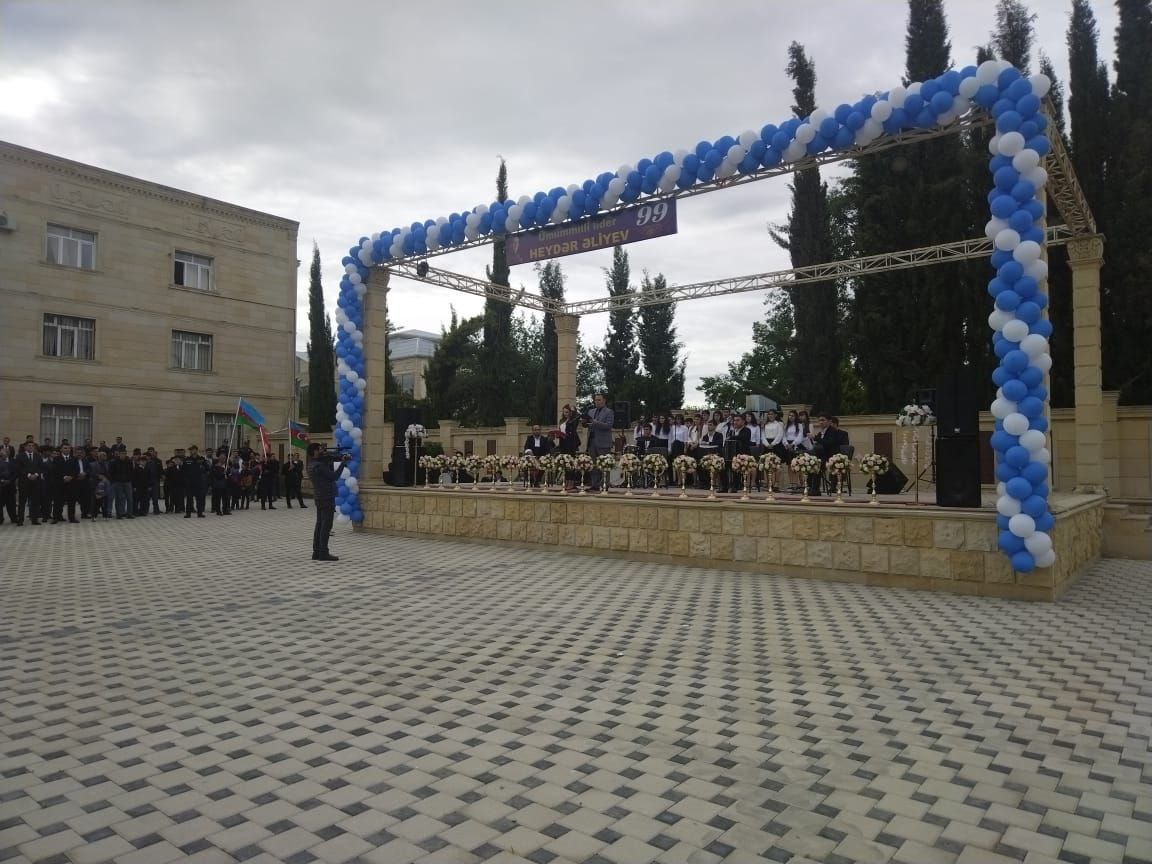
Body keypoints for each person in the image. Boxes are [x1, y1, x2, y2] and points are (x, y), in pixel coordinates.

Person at [308, 442, 345, 561]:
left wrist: (328, 461)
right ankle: (323, 552)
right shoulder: (319, 466)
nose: (322, 452)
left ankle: (316, 552)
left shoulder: (312, 464)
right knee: (326, 525)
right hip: (327, 497)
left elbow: (326, 475)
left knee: (319, 524)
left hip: (319, 497)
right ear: (314, 451)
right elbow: (334, 476)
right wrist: (343, 463)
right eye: (320, 450)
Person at [584, 393, 614, 491]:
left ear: (604, 401)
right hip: (592, 441)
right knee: (593, 465)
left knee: (604, 464)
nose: (597, 402)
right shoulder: (591, 411)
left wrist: (595, 422)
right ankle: (595, 485)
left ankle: (605, 484)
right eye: (596, 400)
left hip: (603, 442)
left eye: (599, 400)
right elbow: (588, 424)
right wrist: (585, 423)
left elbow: (609, 426)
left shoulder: (609, 412)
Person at [48, 443, 81, 523]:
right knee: (58, 501)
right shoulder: (56, 459)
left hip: (71, 483)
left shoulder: (74, 459)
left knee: (72, 501)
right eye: (65, 448)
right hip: (60, 483)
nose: (67, 449)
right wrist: (64, 477)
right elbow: (54, 470)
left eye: (68, 448)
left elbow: (77, 470)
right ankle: (56, 517)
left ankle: (72, 518)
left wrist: (71, 477)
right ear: (61, 449)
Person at [182, 445, 208, 518]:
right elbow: (183, 471)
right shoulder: (187, 460)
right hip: (189, 483)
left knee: (199, 499)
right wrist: (185, 480)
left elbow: (206, 469)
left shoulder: (201, 459)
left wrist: (203, 469)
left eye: (192, 450)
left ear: (196, 450)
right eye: (190, 450)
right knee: (189, 499)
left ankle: (200, 513)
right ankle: (188, 513)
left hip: (198, 482)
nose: (191, 451)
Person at [109, 449, 134, 519]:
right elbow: (111, 472)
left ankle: (129, 513)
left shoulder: (129, 461)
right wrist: (114, 481)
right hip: (118, 482)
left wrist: (130, 479)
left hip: (127, 482)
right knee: (119, 498)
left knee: (130, 498)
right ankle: (119, 514)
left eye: (124, 453)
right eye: (122, 453)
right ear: (119, 454)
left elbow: (132, 471)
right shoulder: (114, 462)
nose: (123, 455)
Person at [0, 447, 17, 524]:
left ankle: (13, 518)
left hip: (10, 486)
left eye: (6, 452)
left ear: (9, 453)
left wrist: (10, 480)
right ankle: (0, 519)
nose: (4, 454)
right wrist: (2, 480)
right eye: (3, 453)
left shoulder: (13, 461)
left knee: (11, 504)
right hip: (1, 486)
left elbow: (16, 473)